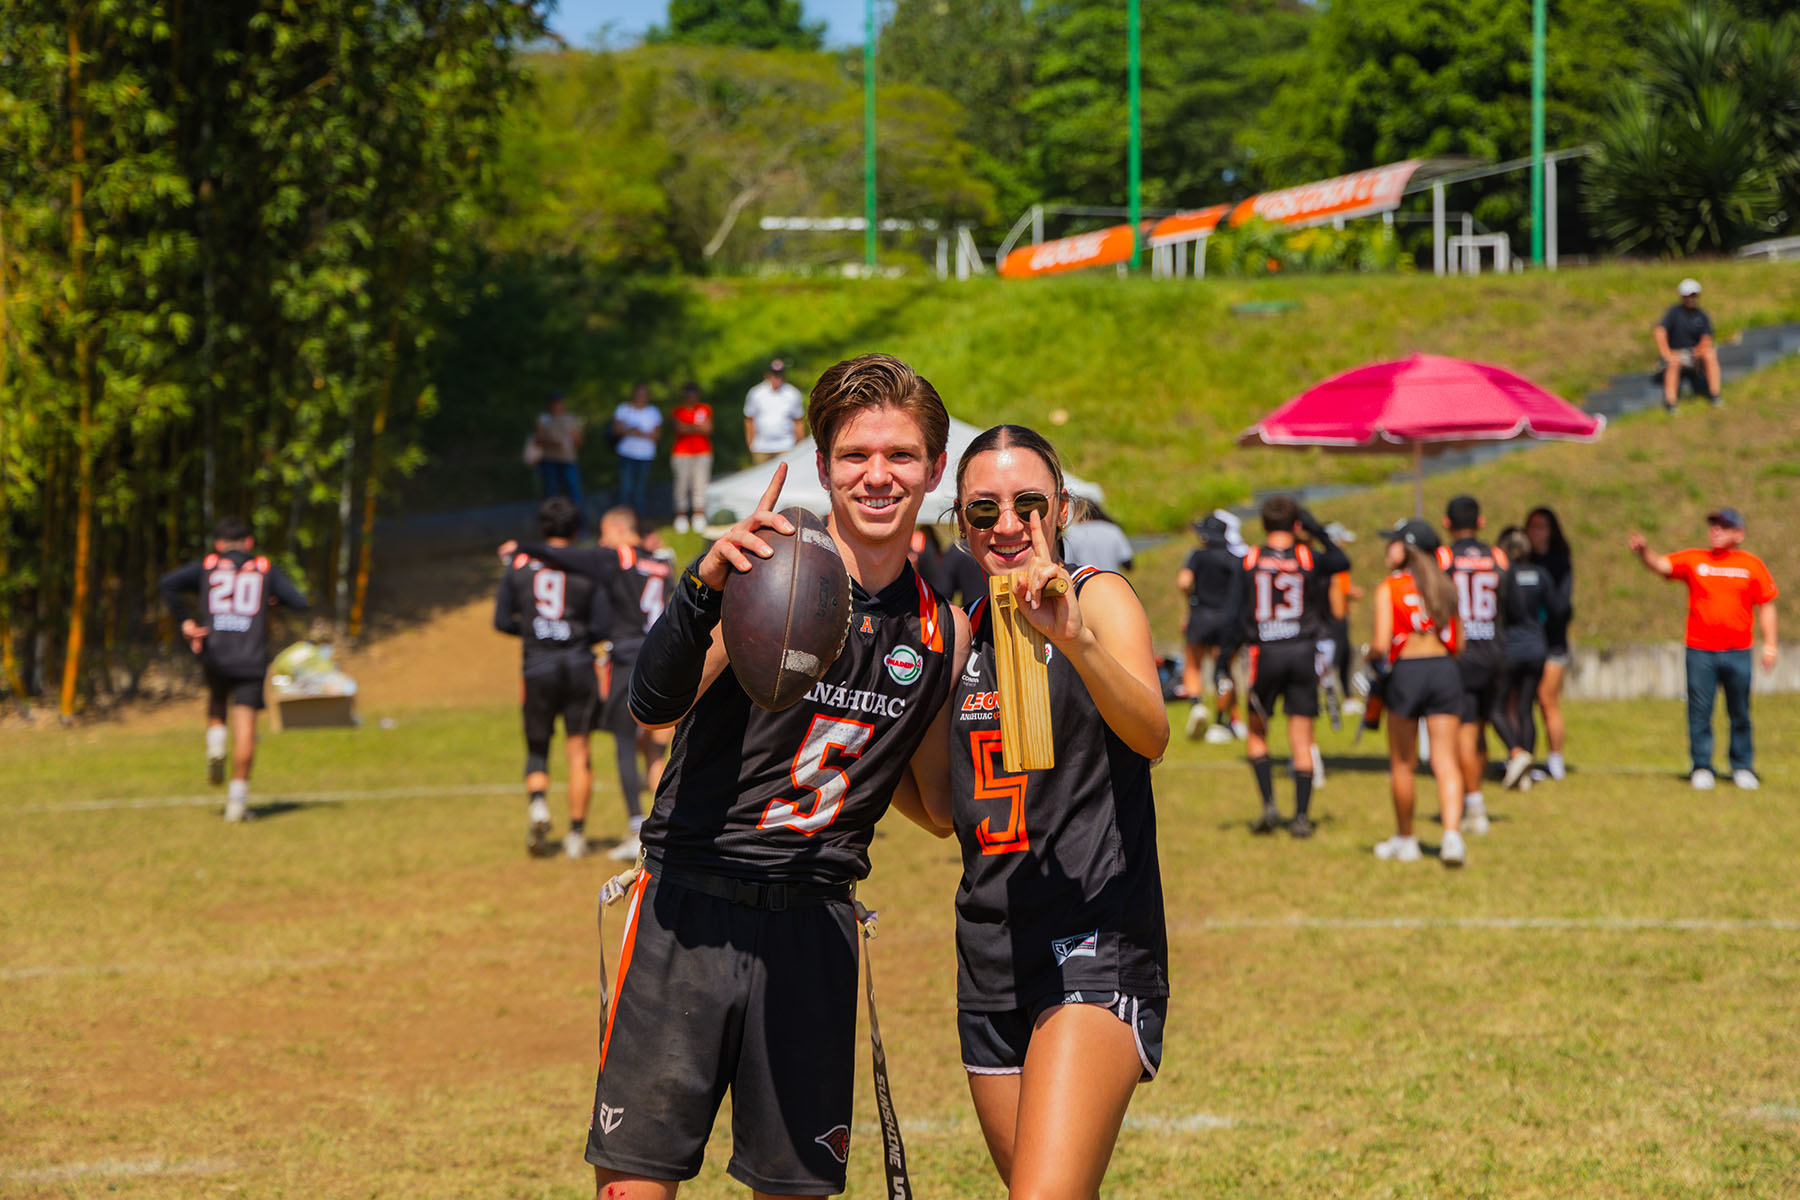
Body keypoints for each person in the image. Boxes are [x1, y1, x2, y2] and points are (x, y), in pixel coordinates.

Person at [585, 353, 963, 1198]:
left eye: (901, 455)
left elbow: (938, 808)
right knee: (633, 1187)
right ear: (822, 463)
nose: (878, 475)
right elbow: (653, 705)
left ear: (934, 469)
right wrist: (702, 589)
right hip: (690, 906)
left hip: (811, 926)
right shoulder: (769, 566)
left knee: (795, 1190)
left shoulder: (946, 630)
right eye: (855, 455)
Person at [902, 423, 1168, 1200]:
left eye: (1027, 504)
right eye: (983, 511)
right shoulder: (959, 635)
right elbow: (944, 810)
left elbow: (1151, 734)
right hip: (988, 951)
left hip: (1092, 938)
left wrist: (1078, 643)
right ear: (960, 524)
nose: (1007, 525)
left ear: (1060, 509)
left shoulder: (1099, 596)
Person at [511, 506, 676, 863]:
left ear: (619, 530)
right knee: (653, 749)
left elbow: (566, 556)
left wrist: (524, 549)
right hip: (665, 660)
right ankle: (669, 825)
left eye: (605, 533)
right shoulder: (662, 562)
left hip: (630, 662)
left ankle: (637, 829)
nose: (601, 541)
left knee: (623, 741)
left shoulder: (620, 557)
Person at [157, 517, 311, 822]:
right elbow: (300, 602)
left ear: (218, 544)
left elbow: (168, 584)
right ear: (250, 542)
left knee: (217, 701)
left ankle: (215, 742)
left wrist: (186, 622)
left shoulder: (209, 565)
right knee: (246, 729)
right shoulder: (264, 569)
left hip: (215, 652)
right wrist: (273, 599)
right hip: (251, 658)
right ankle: (237, 803)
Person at [1629, 508, 1779, 790]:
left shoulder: (1751, 565)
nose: (1716, 530)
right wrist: (1644, 552)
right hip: (1701, 652)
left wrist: (1770, 644)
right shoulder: (1695, 560)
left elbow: (1767, 604)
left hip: (1738, 652)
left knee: (1740, 711)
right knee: (1699, 710)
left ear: (1739, 533)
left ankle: (1742, 767)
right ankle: (1701, 766)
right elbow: (1662, 565)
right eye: (1713, 525)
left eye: (1723, 526)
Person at [493, 497, 609, 858]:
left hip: (537, 665)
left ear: (542, 529)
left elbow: (501, 620)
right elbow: (602, 626)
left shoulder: (520, 565)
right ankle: (576, 835)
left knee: (538, 746)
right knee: (579, 751)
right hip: (577, 665)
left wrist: (532, 631)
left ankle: (539, 804)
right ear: (577, 530)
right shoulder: (588, 567)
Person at [1239, 496, 1349, 838]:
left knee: (1258, 731)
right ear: (1296, 524)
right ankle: (1301, 817)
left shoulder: (1251, 559)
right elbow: (1342, 560)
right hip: (1302, 651)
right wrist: (1318, 531)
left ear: (1264, 524)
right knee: (1302, 738)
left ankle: (1269, 805)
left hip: (1265, 652)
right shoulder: (1308, 557)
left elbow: (1235, 612)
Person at [1369, 519, 1467, 867]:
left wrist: (1369, 656)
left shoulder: (1390, 587)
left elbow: (1381, 645)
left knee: (1402, 762)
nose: (1387, 549)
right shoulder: (1445, 585)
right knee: (1446, 761)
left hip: (1407, 673)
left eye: (1392, 543)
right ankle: (1452, 836)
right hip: (1444, 671)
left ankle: (1406, 838)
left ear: (1406, 548)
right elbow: (1460, 641)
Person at [1438, 495, 1508, 837]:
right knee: (1479, 728)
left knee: (1463, 731)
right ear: (1481, 522)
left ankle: (1474, 803)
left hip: (1461, 653)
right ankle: (1474, 794)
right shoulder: (1497, 557)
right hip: (1494, 651)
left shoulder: (1444, 557)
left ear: (1446, 523)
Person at [1492, 528, 1570, 795]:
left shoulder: (1503, 577)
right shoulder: (1541, 575)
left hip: (1510, 649)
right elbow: (1560, 608)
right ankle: (1525, 764)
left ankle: (1517, 754)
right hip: (1536, 648)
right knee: (1526, 708)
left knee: (1498, 707)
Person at [1177, 514, 1245, 744]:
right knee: (1223, 670)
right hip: (1228, 619)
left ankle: (1197, 705)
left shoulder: (1198, 556)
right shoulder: (1235, 559)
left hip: (1201, 615)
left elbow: (1184, 582)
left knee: (1193, 664)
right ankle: (1220, 721)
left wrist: (1190, 603)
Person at [1525, 506, 1574, 780]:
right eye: (1532, 525)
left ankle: (1555, 759)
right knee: (1524, 701)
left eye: (1542, 526)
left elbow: (1562, 606)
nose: (1536, 531)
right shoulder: (1522, 559)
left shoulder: (1559, 561)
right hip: (1526, 641)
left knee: (1547, 699)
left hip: (1552, 642)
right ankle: (1525, 758)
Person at [1654, 278, 1722, 412]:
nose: (1691, 298)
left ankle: (1715, 395)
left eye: (1694, 295)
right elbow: (1660, 331)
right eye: (1688, 295)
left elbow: (1707, 337)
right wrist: (1666, 353)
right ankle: (1671, 403)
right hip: (1677, 354)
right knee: (1673, 362)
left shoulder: (1701, 315)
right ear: (1682, 296)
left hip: (1694, 354)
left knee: (1710, 354)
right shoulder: (1674, 313)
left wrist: (1699, 351)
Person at [668, 381, 714, 535]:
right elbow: (678, 428)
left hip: (702, 452)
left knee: (700, 484)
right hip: (682, 453)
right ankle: (681, 515)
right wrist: (696, 428)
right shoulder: (678, 411)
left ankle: (698, 514)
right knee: (681, 486)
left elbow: (707, 428)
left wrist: (688, 427)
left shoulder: (704, 409)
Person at [611, 384, 662, 520]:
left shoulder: (653, 412)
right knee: (625, 490)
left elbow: (656, 436)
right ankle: (622, 522)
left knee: (640, 491)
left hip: (645, 456)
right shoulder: (623, 409)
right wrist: (641, 433)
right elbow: (616, 429)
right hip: (626, 455)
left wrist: (631, 431)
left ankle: (638, 523)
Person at [743, 358, 806, 465]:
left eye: (779, 375)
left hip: (786, 445)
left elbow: (798, 421)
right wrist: (750, 443)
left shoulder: (792, 394)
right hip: (761, 447)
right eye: (774, 374)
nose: (776, 378)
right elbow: (749, 420)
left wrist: (800, 446)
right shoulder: (756, 393)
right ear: (767, 375)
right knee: (762, 480)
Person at [535, 392, 585, 507]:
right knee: (551, 493)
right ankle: (552, 520)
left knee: (574, 492)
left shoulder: (570, 419)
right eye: (555, 403)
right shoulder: (543, 418)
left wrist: (573, 439)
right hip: (549, 460)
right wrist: (553, 443)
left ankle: (579, 521)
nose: (558, 405)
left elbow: (580, 441)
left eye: (560, 402)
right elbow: (537, 440)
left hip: (568, 460)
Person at [1060, 500, 1134, 573]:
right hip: (1111, 581)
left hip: (1087, 582)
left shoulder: (1075, 534)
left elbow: (1066, 562)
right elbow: (1128, 564)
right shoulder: (1113, 530)